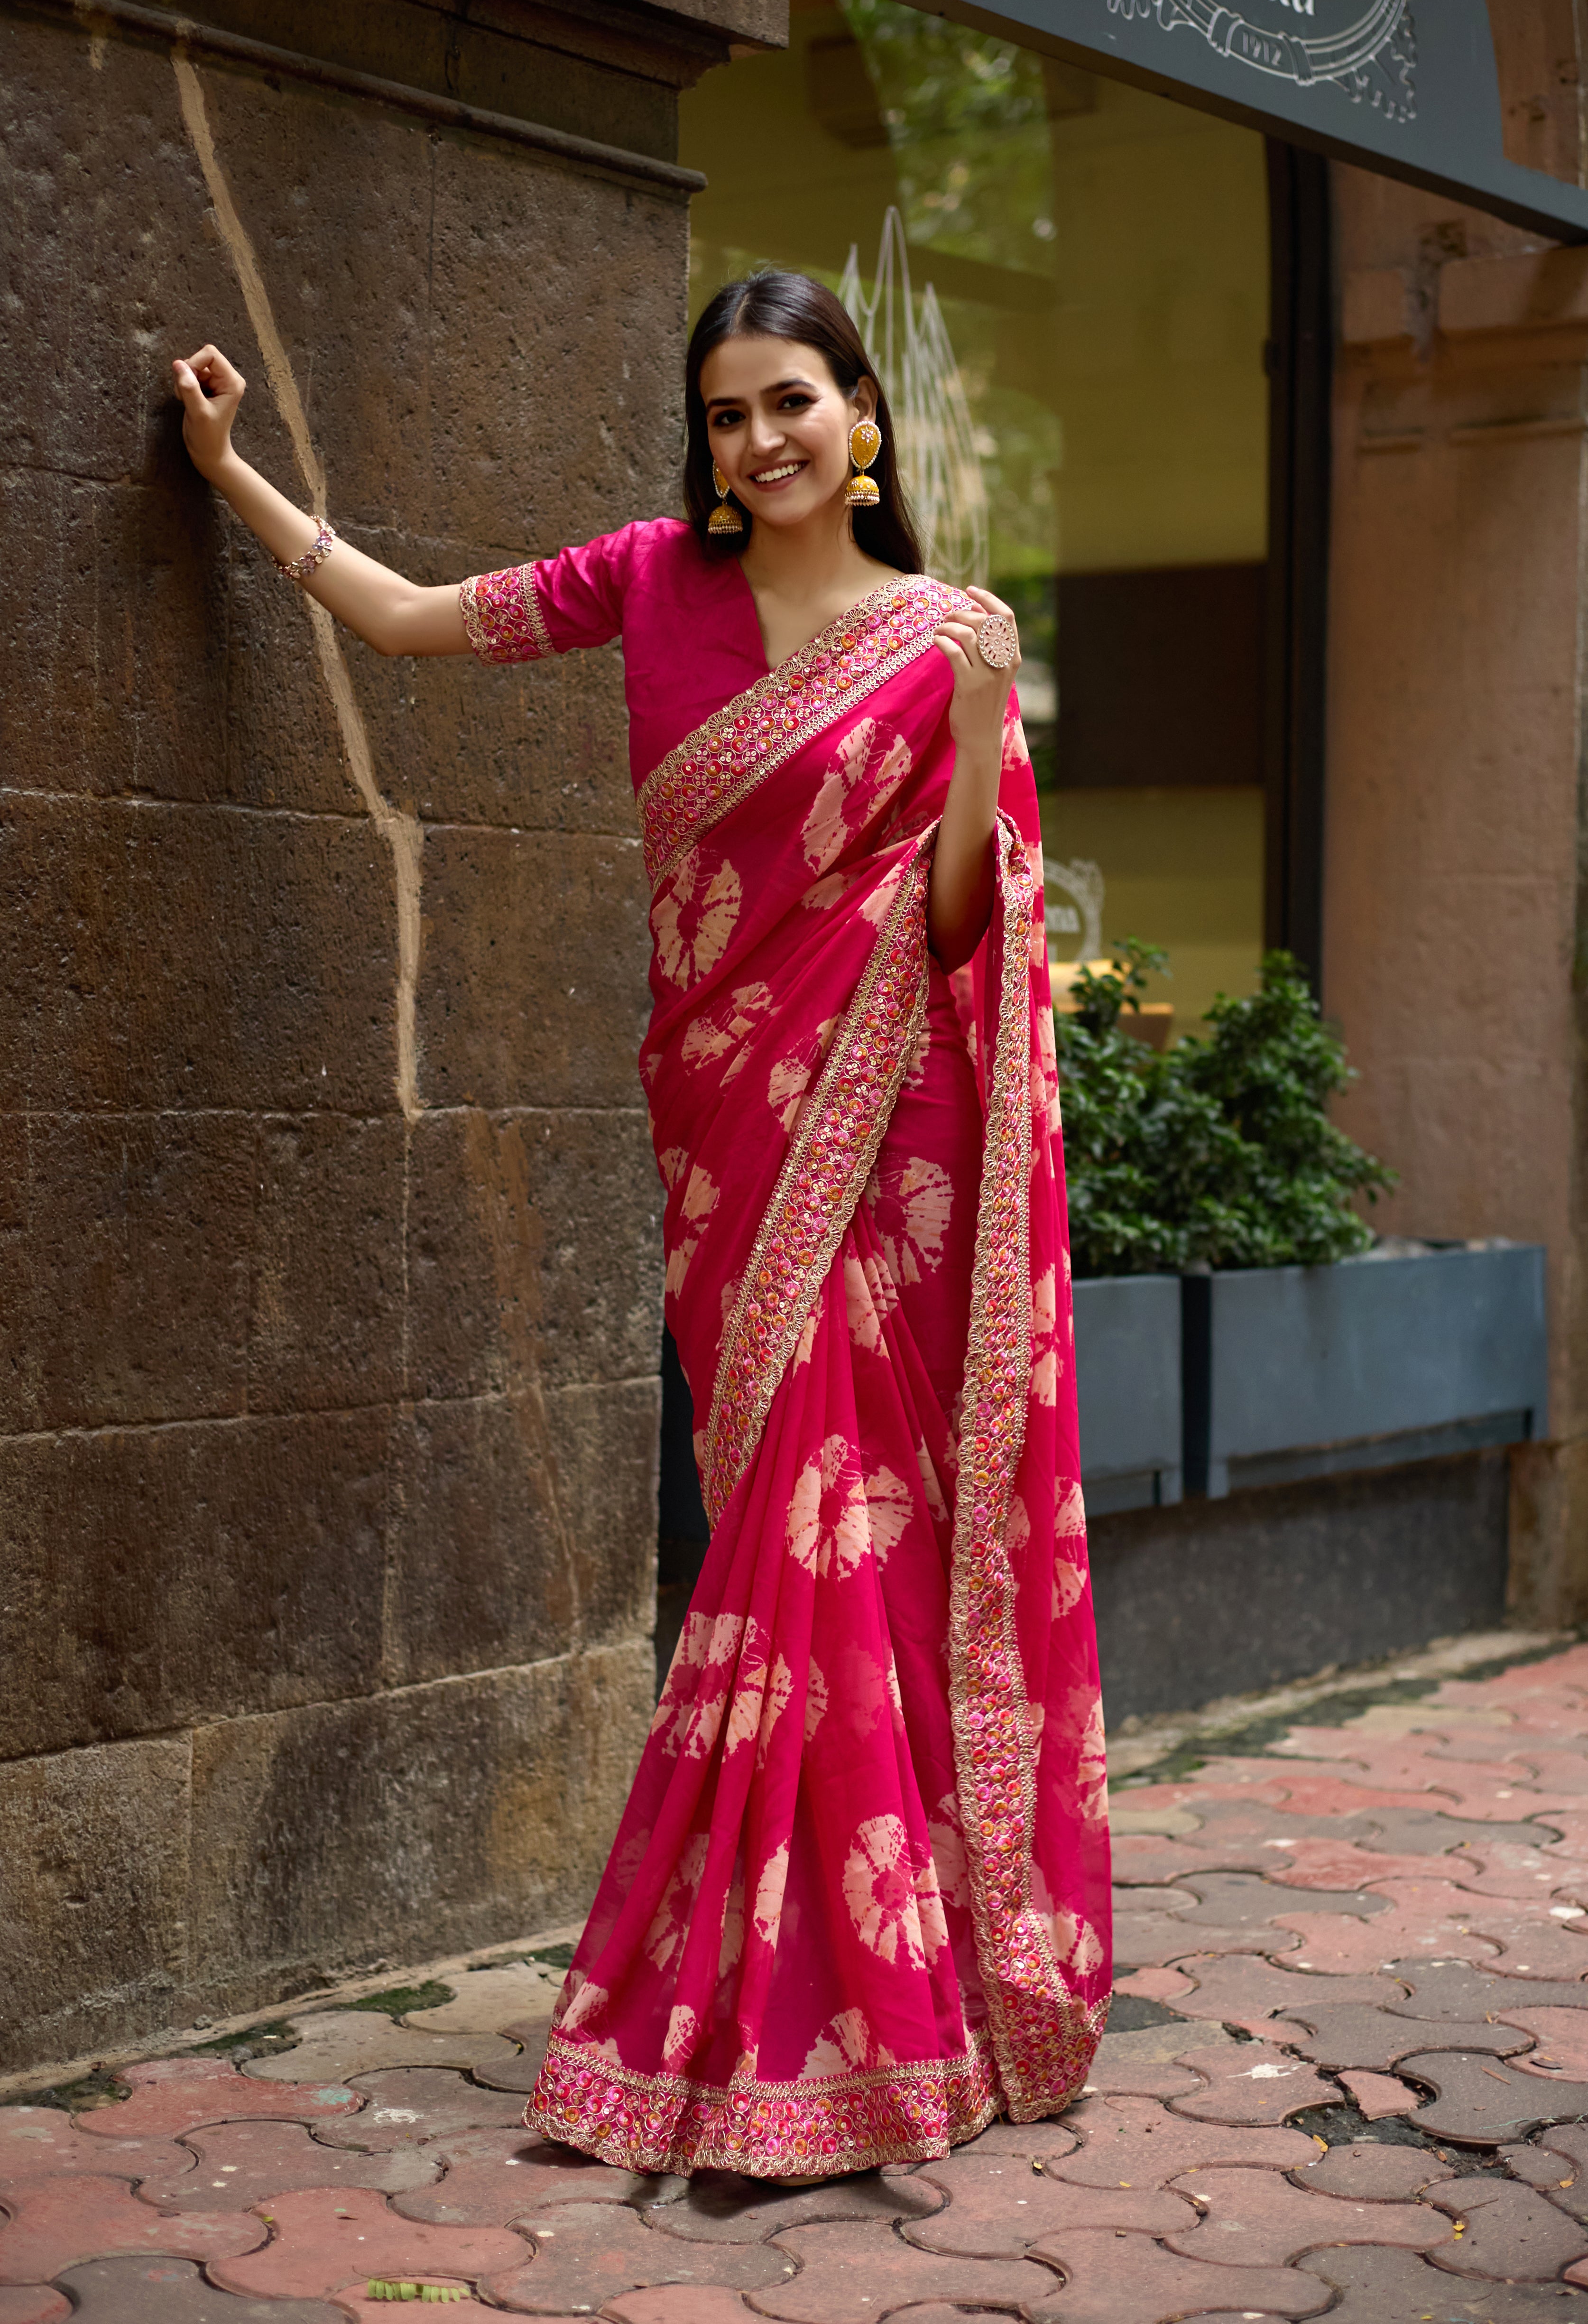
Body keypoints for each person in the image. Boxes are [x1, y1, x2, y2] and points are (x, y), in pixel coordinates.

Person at [172, 269, 1111, 2182]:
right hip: (729, 1130)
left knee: (854, 1529)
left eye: (790, 401)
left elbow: (953, 931)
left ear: (861, 416)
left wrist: (990, 702)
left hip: (890, 1139)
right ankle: (815, 1986)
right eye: (725, 415)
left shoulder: (942, 639)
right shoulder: (648, 582)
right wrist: (231, 472)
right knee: (793, 1516)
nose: (758, 441)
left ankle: (875, 2005)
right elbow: (422, 620)